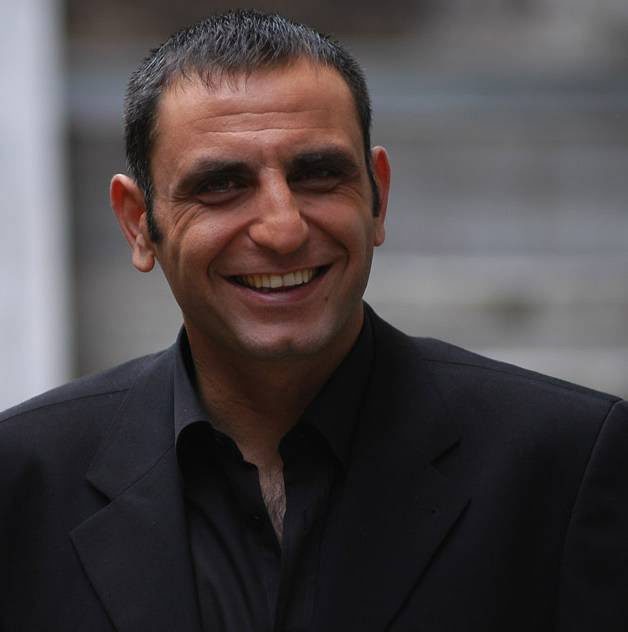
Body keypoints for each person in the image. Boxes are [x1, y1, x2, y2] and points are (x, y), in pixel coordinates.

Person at [1, 9, 627, 631]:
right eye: (221, 184)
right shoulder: (22, 479)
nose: (283, 229)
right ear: (139, 224)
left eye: (320, 175)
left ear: (378, 196)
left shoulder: (565, 466)